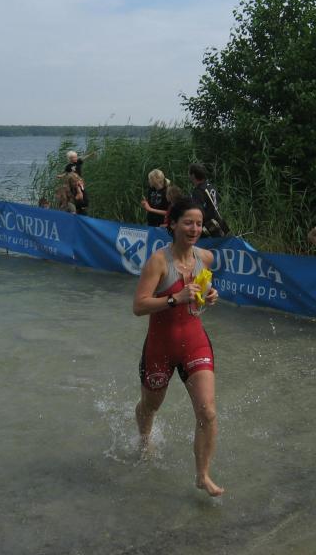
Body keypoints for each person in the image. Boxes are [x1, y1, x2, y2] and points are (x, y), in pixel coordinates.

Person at [132, 197, 223, 497]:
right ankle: (145, 440)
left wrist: (210, 295)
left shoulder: (206, 257)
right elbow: (139, 306)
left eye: (198, 224)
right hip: (160, 347)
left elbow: (200, 294)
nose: (194, 229)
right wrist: (175, 299)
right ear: (172, 224)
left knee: (207, 411)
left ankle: (202, 475)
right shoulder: (158, 262)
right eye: (188, 223)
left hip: (194, 343)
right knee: (150, 406)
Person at [188, 163, 227, 237]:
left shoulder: (198, 192)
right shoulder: (210, 186)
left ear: (193, 176)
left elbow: (198, 212)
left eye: (189, 173)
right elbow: (218, 200)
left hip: (208, 228)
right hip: (217, 222)